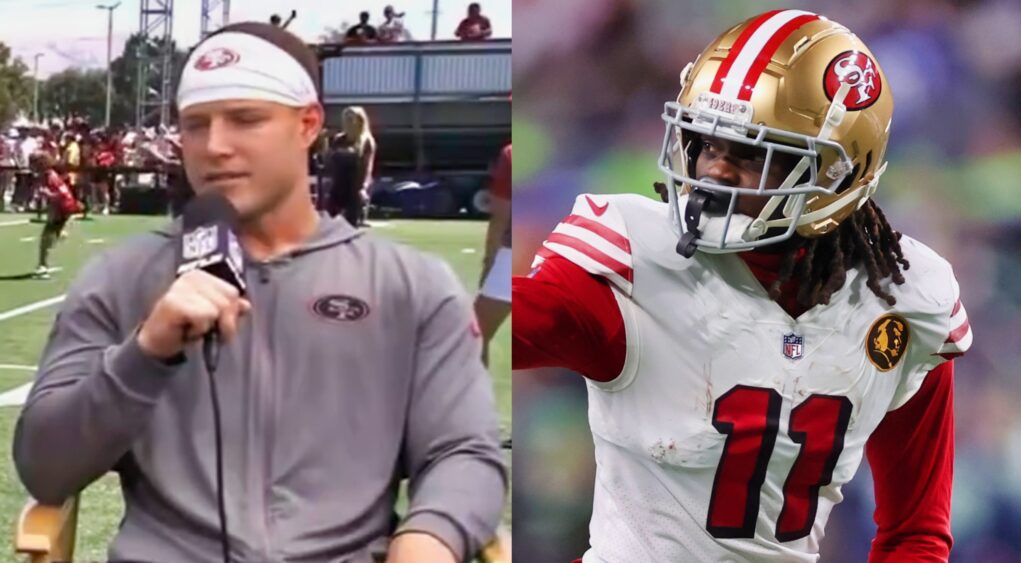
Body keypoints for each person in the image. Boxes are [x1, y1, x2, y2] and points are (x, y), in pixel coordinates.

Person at [14, 21, 505, 563]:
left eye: (245, 120)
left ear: (308, 124)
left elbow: (464, 451)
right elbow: (44, 465)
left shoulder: (411, 285)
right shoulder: (119, 278)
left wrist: (429, 538)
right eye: (195, 125)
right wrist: (144, 354)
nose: (214, 147)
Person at [513, 10, 971, 562]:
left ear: (835, 175)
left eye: (754, 155)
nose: (716, 173)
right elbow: (474, 331)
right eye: (708, 145)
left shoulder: (901, 299)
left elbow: (914, 534)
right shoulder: (635, 260)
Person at [475, 144, 511, 366]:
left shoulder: (512, 154)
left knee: (473, 334)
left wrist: (489, 262)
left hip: (521, 253)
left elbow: (500, 217)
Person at [32, 155, 81, 278]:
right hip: (60, 208)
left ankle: (43, 267)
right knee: (49, 237)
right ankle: (61, 233)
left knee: (46, 239)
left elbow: (62, 194)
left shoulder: (51, 177)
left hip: (62, 208)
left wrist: (48, 194)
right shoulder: (45, 176)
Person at [326, 106, 376, 226]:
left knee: (351, 224)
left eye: (350, 118)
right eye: (345, 118)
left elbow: (367, 167)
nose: (347, 121)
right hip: (338, 186)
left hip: (355, 187)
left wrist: (363, 188)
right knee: (330, 221)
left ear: (359, 121)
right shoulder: (339, 140)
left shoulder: (366, 141)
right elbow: (331, 160)